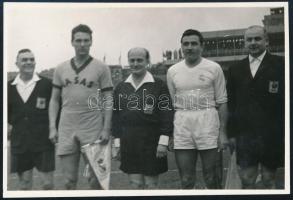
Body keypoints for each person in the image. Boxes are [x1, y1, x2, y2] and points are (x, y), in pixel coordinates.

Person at [48, 24, 113, 190]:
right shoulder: (61, 68)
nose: (82, 44)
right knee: (69, 181)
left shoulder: (101, 68)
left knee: (97, 180)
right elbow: (54, 100)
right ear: (72, 42)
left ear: (91, 42)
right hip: (67, 125)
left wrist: (106, 128)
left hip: (92, 124)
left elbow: (108, 99)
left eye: (86, 40)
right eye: (78, 40)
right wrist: (52, 127)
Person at [166, 29, 229, 189]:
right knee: (186, 180)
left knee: (212, 178)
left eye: (194, 43)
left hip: (208, 121)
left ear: (202, 46)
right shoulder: (172, 71)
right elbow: (172, 105)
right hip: (182, 122)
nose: (189, 47)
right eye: (185, 44)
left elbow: (222, 102)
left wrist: (222, 133)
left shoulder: (214, 68)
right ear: (181, 46)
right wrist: (171, 134)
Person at [227, 25, 285, 189]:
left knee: (269, 179)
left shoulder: (281, 65)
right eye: (249, 39)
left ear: (266, 41)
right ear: (244, 43)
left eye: (257, 39)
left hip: (272, 134)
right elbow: (231, 104)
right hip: (245, 135)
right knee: (247, 179)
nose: (253, 42)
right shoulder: (235, 69)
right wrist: (231, 134)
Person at [112, 47, 174, 189]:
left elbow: (167, 115)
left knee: (151, 185)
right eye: (132, 60)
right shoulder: (121, 87)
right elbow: (116, 117)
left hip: (151, 141)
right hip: (129, 141)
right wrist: (117, 144)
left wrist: (163, 142)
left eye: (139, 60)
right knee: (135, 185)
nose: (135, 64)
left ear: (147, 61)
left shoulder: (158, 85)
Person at [8, 49, 55, 190]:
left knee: (47, 184)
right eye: (24, 60)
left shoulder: (47, 84)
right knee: (24, 185)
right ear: (17, 64)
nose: (29, 62)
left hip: (43, 142)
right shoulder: (8, 87)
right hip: (20, 143)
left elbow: (55, 110)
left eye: (31, 59)